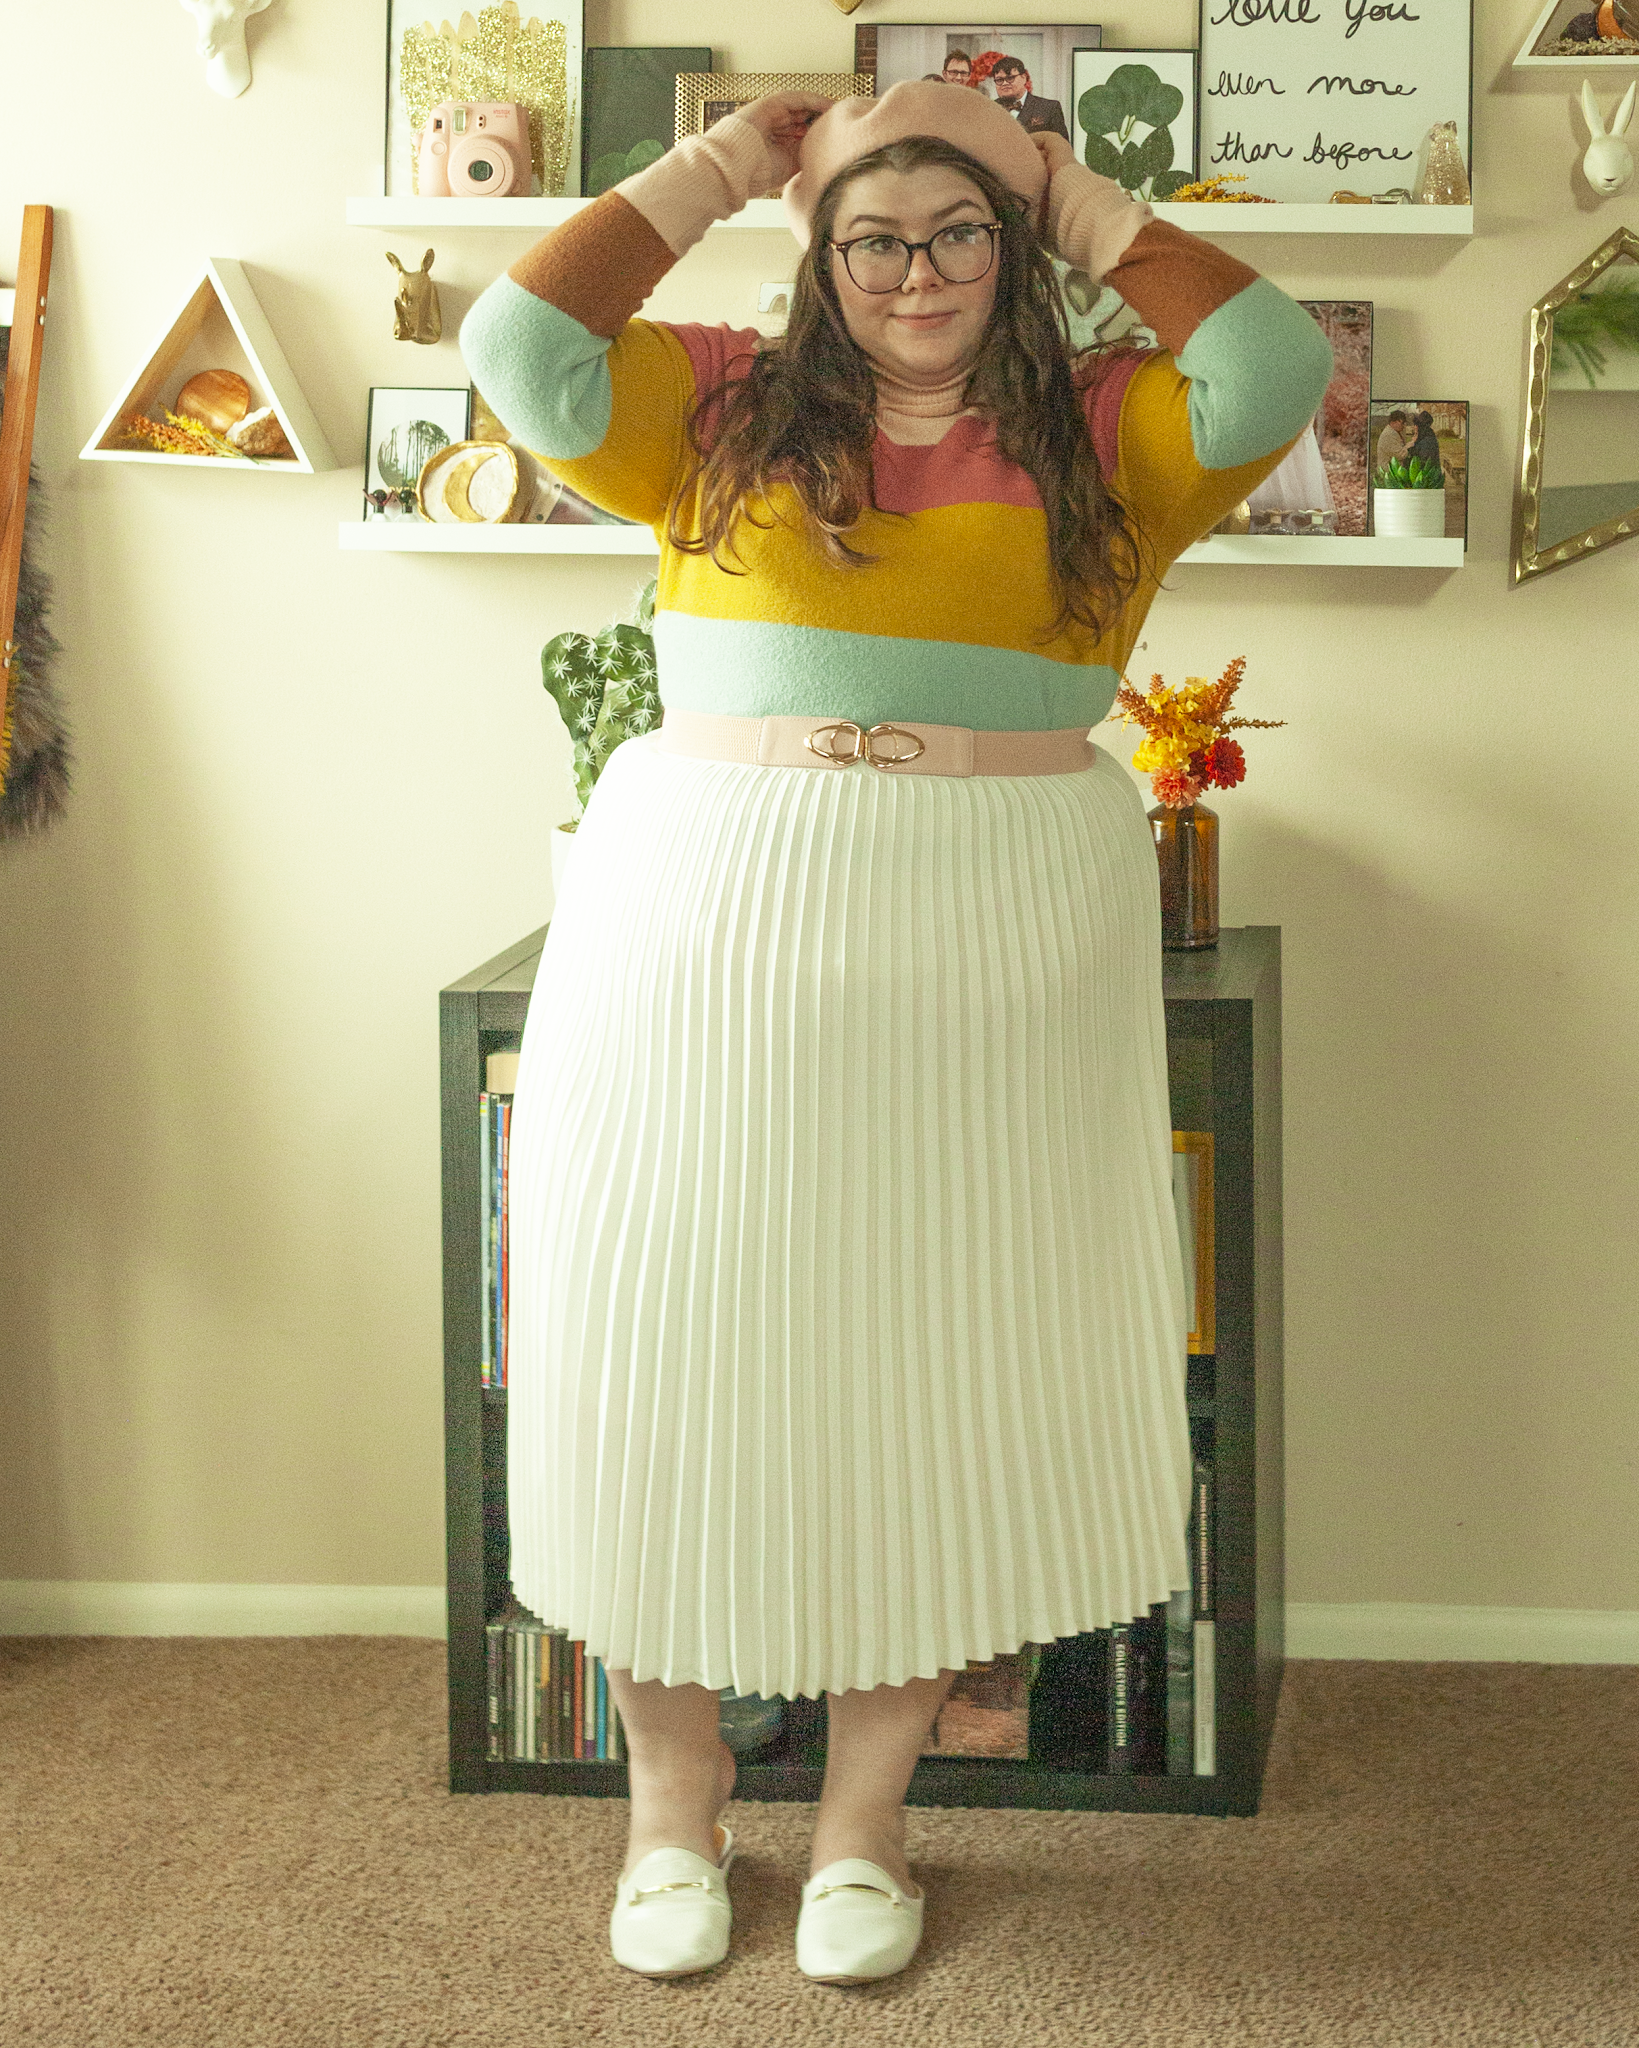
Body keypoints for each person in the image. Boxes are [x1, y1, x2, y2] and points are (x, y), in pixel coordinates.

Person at [460, 81, 1331, 1989]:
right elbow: (515, 347)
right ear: (817, 255)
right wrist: (716, 165)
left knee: (936, 1351)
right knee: (664, 1340)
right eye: (872, 235)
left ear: (1011, 247)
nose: (914, 271)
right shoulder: (706, 401)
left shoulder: (1111, 427)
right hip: (700, 907)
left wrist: (1069, 184)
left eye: (956, 231)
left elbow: (1270, 362)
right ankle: (670, 1808)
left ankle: (863, 1825)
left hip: (1000, 924)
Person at [988, 54, 1070, 140]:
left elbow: (1062, 149)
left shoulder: (1049, 108)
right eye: (999, 80)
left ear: (1024, 78)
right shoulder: (989, 109)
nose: (1004, 83)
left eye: (1010, 78)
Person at [1406, 407, 1444, 476]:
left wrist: (1412, 446)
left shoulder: (1427, 441)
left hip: (1428, 479)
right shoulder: (1427, 435)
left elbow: (1422, 462)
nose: (1414, 427)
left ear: (1418, 426)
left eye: (1415, 425)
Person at [1375, 408, 1411, 473]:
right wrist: (1409, 446)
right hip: (1387, 474)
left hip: (1392, 472)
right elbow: (1399, 455)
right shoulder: (1389, 435)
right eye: (1402, 423)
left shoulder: (1395, 432)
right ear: (1393, 422)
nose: (1403, 426)